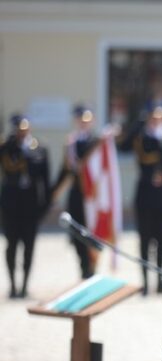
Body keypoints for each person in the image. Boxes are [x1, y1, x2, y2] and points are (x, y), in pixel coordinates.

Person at [120, 99, 162, 295]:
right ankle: (144, 282)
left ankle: (160, 281)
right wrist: (139, 124)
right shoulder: (141, 136)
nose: (156, 120)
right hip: (145, 194)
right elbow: (123, 146)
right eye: (152, 116)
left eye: (159, 116)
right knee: (144, 239)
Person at [0, 114, 50, 298]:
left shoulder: (39, 149)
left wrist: (44, 206)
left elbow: (44, 179)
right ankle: (13, 285)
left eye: (24, 129)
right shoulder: (7, 147)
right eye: (18, 129)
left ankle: (25, 286)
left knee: (29, 247)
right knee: (11, 246)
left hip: (30, 206)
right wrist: (11, 143)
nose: (22, 133)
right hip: (10, 206)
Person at [58, 103, 100, 279]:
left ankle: (91, 269)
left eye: (87, 120)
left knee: (93, 232)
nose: (84, 123)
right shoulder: (71, 142)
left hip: (92, 195)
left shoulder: (96, 142)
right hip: (77, 193)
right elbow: (65, 171)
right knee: (77, 233)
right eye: (81, 120)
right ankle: (83, 267)